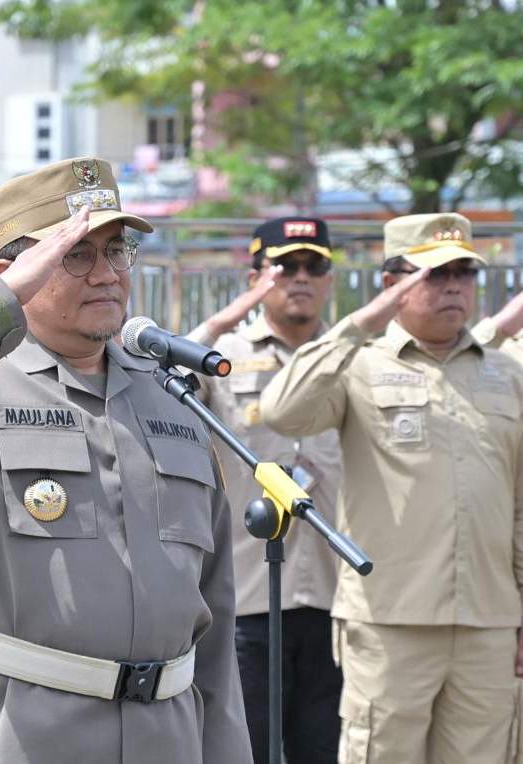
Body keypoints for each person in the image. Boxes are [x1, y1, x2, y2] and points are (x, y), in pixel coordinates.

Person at [0, 157, 252, 764]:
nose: (106, 274)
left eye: (117, 252)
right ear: (20, 272)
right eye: (76, 255)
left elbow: (214, 613)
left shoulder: (169, 396)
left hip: (166, 735)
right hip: (17, 731)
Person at [259, 212, 523, 764]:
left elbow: (518, 503)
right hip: (389, 623)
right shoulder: (358, 364)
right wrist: (359, 325)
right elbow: (283, 411)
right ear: (392, 282)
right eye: (433, 274)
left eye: (464, 274)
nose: (453, 286)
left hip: (490, 623)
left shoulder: (507, 373)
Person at [188, 217, 343, 763]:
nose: (301, 277)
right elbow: (149, 374)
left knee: (322, 751)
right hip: (247, 596)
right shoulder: (222, 355)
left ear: (329, 278)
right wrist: (228, 315)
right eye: (284, 267)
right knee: (240, 750)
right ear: (256, 276)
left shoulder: (349, 356)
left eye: (314, 265)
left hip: (336, 597)